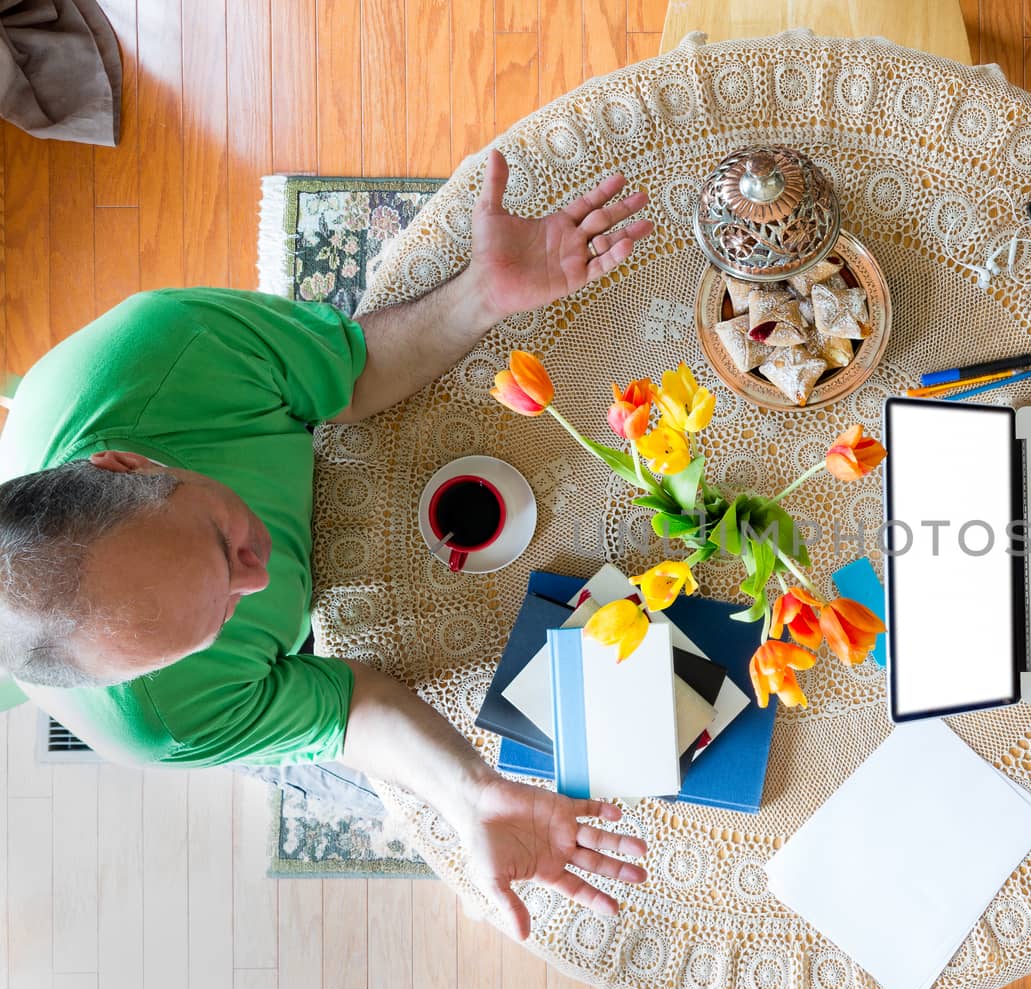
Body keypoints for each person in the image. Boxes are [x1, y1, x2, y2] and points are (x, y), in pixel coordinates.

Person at [0, 149, 655, 931]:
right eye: (209, 628)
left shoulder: (158, 349)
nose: (257, 579)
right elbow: (345, 712)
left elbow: (351, 372)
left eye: (221, 546)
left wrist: (482, 292)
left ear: (128, 463)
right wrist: (467, 794)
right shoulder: (158, 724)